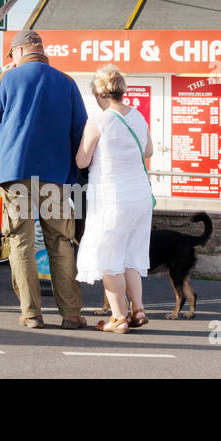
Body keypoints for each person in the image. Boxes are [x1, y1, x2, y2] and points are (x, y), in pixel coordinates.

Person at [0, 28, 88, 329]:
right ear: (41, 50)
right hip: (54, 177)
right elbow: (80, 130)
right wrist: (73, 176)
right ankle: (71, 314)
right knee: (61, 243)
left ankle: (31, 314)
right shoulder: (66, 82)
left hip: (15, 176)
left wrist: (2, 75)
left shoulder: (8, 79)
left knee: (21, 243)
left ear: (17, 53)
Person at [74, 65, 154, 333]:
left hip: (112, 197)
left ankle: (118, 318)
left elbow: (82, 160)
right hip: (141, 196)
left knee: (108, 256)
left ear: (100, 93)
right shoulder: (139, 117)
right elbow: (149, 149)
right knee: (131, 253)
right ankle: (138, 309)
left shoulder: (99, 121)